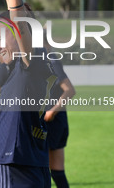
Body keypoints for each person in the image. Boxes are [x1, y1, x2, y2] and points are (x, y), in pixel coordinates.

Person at [0, 0, 56, 188]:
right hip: (34, 162)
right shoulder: (43, 62)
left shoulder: (32, 59)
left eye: (0, 38)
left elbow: (18, 19)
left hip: (15, 163)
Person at [43, 30, 75, 188]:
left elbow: (69, 90)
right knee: (55, 171)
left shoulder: (51, 61)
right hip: (56, 122)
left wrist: (52, 110)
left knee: (46, 170)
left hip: (54, 123)